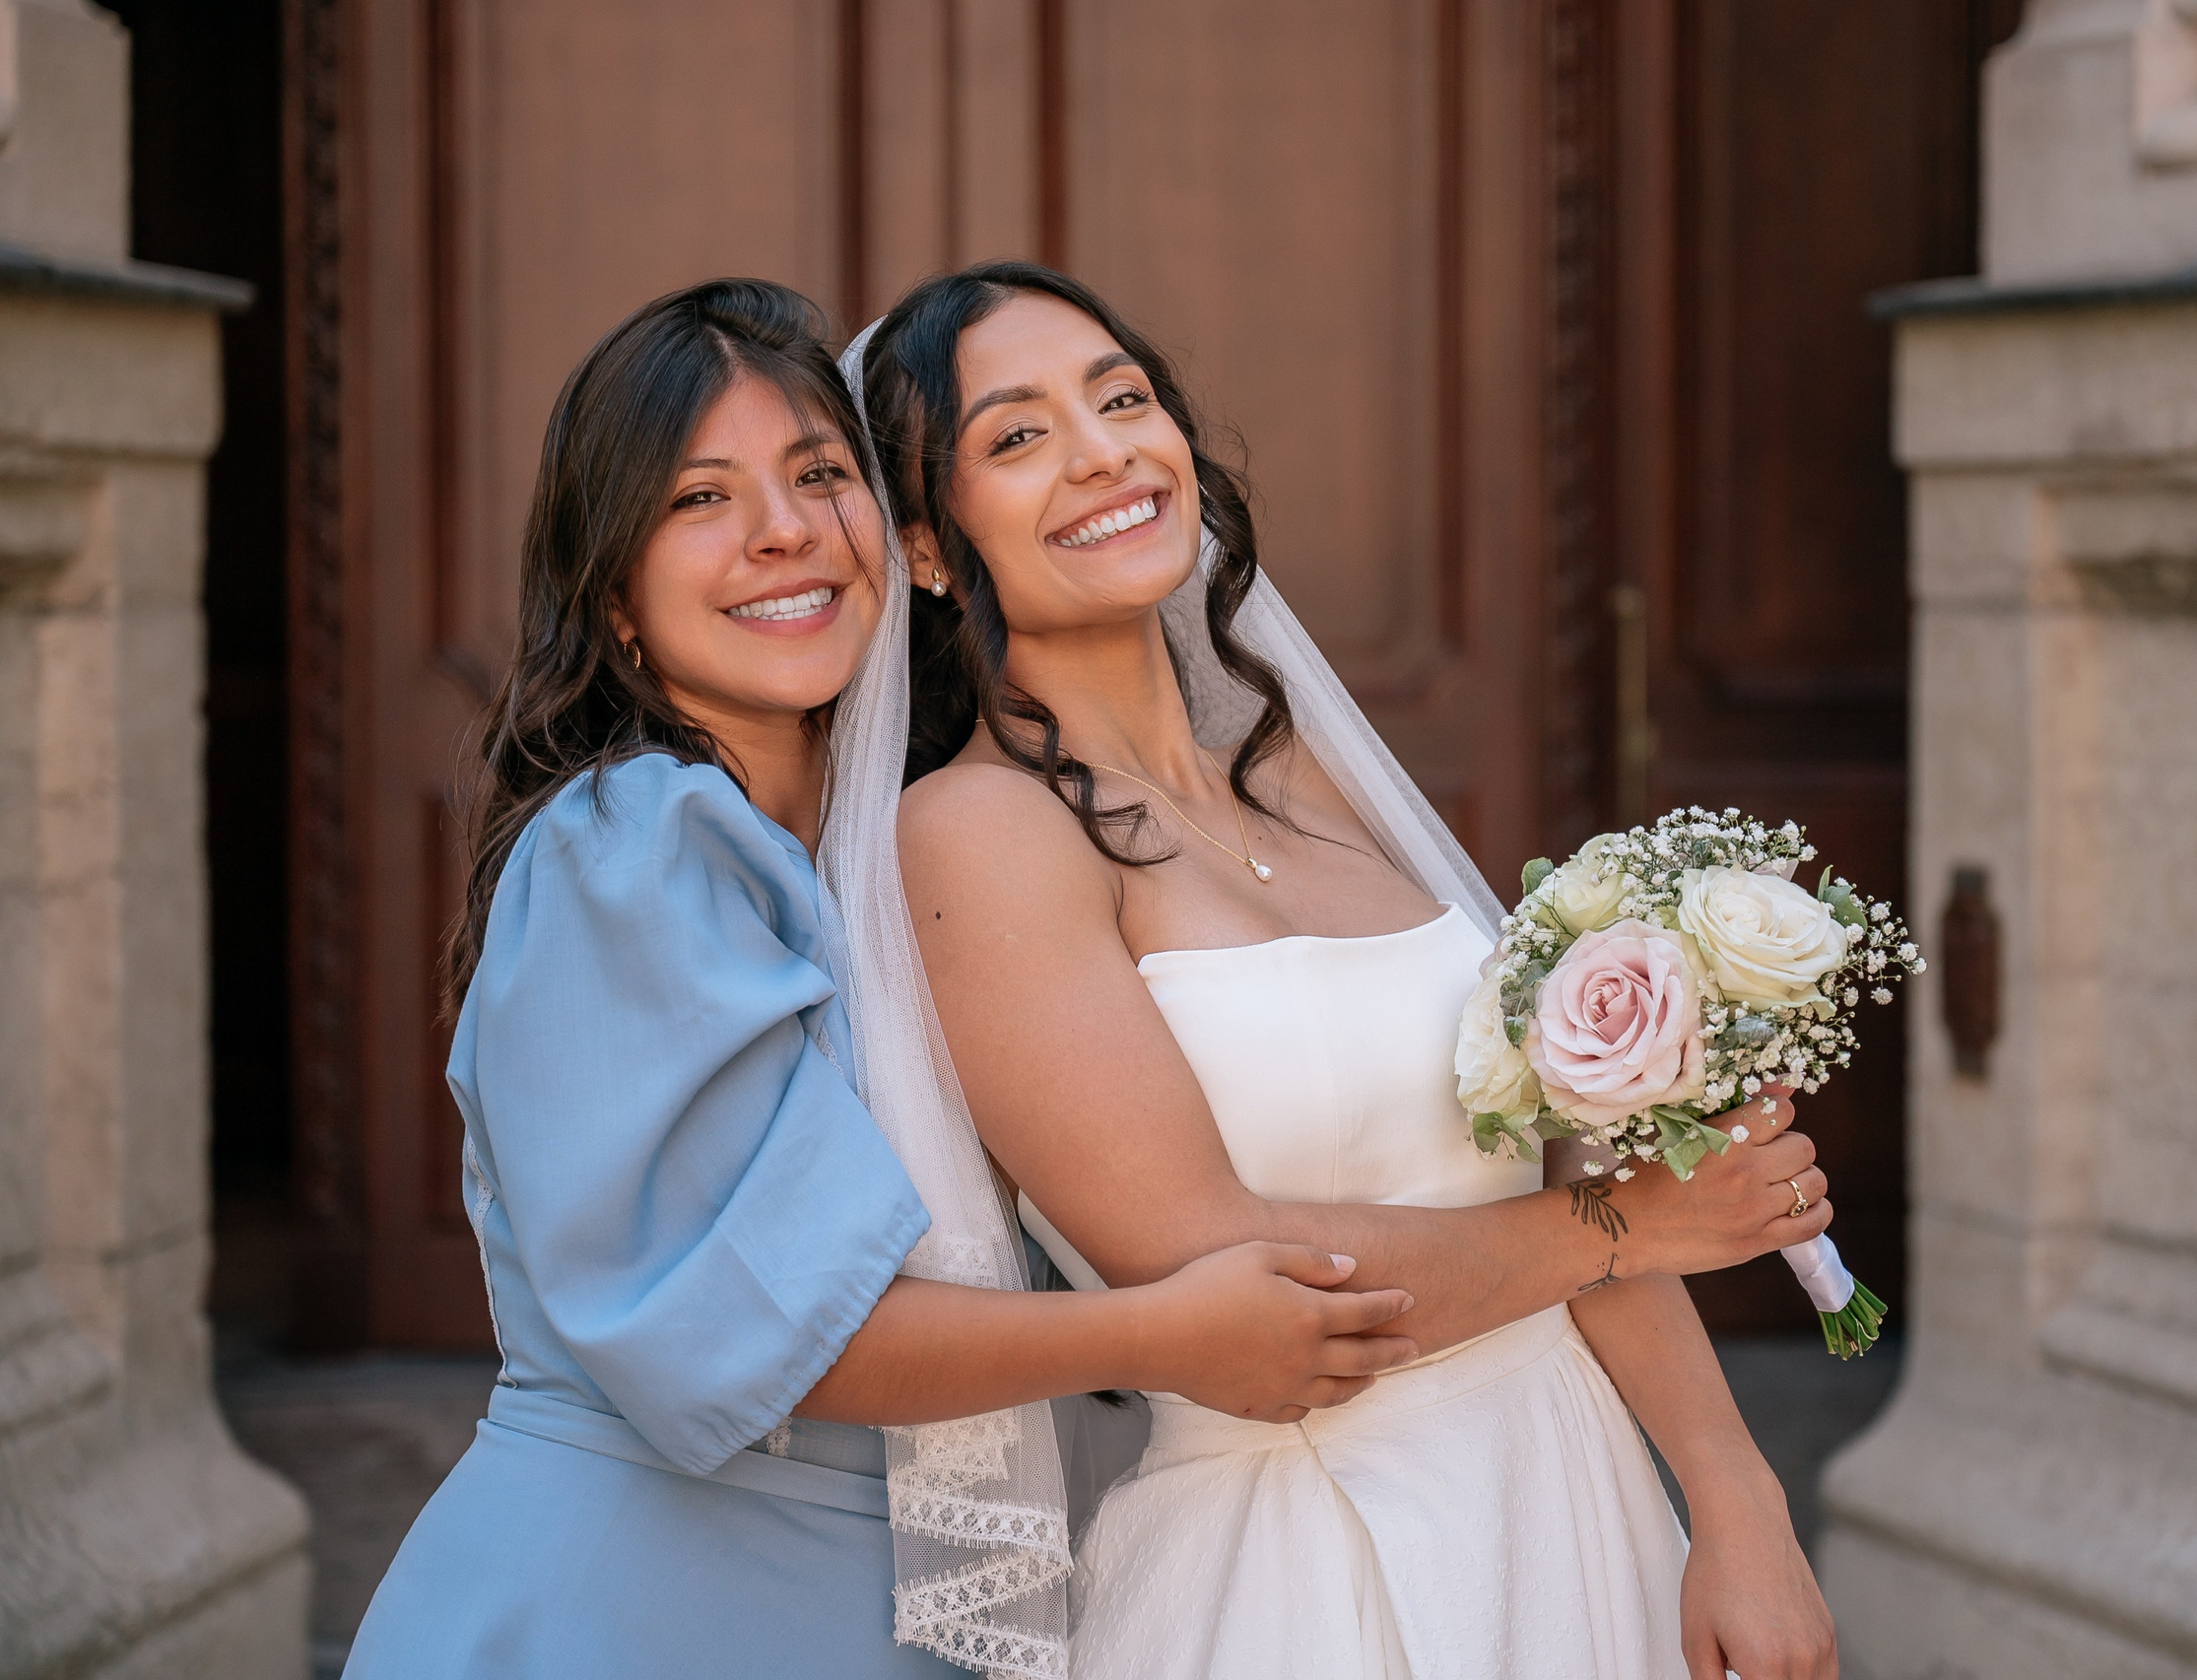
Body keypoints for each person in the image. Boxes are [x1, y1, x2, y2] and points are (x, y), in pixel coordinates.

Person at [342, 279, 1427, 1680]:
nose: (782, 531)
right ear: (613, 598)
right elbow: (775, 1333)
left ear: (903, 536)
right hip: (635, 1609)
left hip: (885, 1609)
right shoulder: (639, 849)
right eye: (698, 501)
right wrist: (1163, 1331)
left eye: (817, 473)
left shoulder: (916, 841)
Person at [846, 262, 1841, 1680]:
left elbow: (1551, 1150)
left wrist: (1737, 1499)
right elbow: (1212, 1267)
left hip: (1569, 1494)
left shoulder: (1302, 768)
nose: (1103, 450)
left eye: (1122, 397)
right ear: (931, 551)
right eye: (1017, 436)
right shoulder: (976, 835)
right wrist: (1639, 1225)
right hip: (1305, 1564)